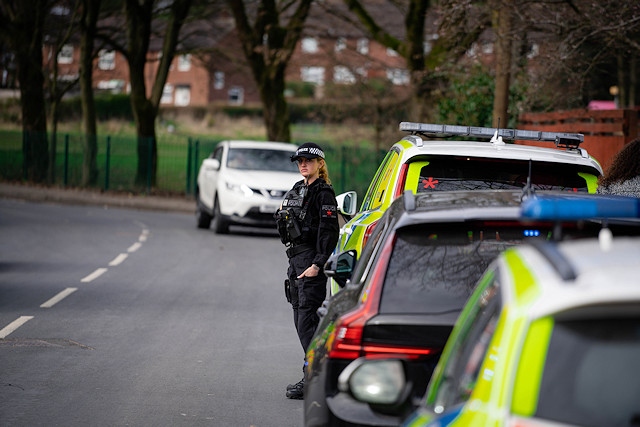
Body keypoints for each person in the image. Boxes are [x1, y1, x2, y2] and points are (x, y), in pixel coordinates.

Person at [275, 142, 339, 400]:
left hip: (311, 261)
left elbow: (329, 231)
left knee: (307, 321)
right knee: (300, 319)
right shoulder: (297, 189)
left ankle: (315, 378)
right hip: (295, 260)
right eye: (300, 161)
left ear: (320, 164)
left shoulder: (323, 193)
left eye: (308, 161)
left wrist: (317, 264)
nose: (303, 164)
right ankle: (316, 375)